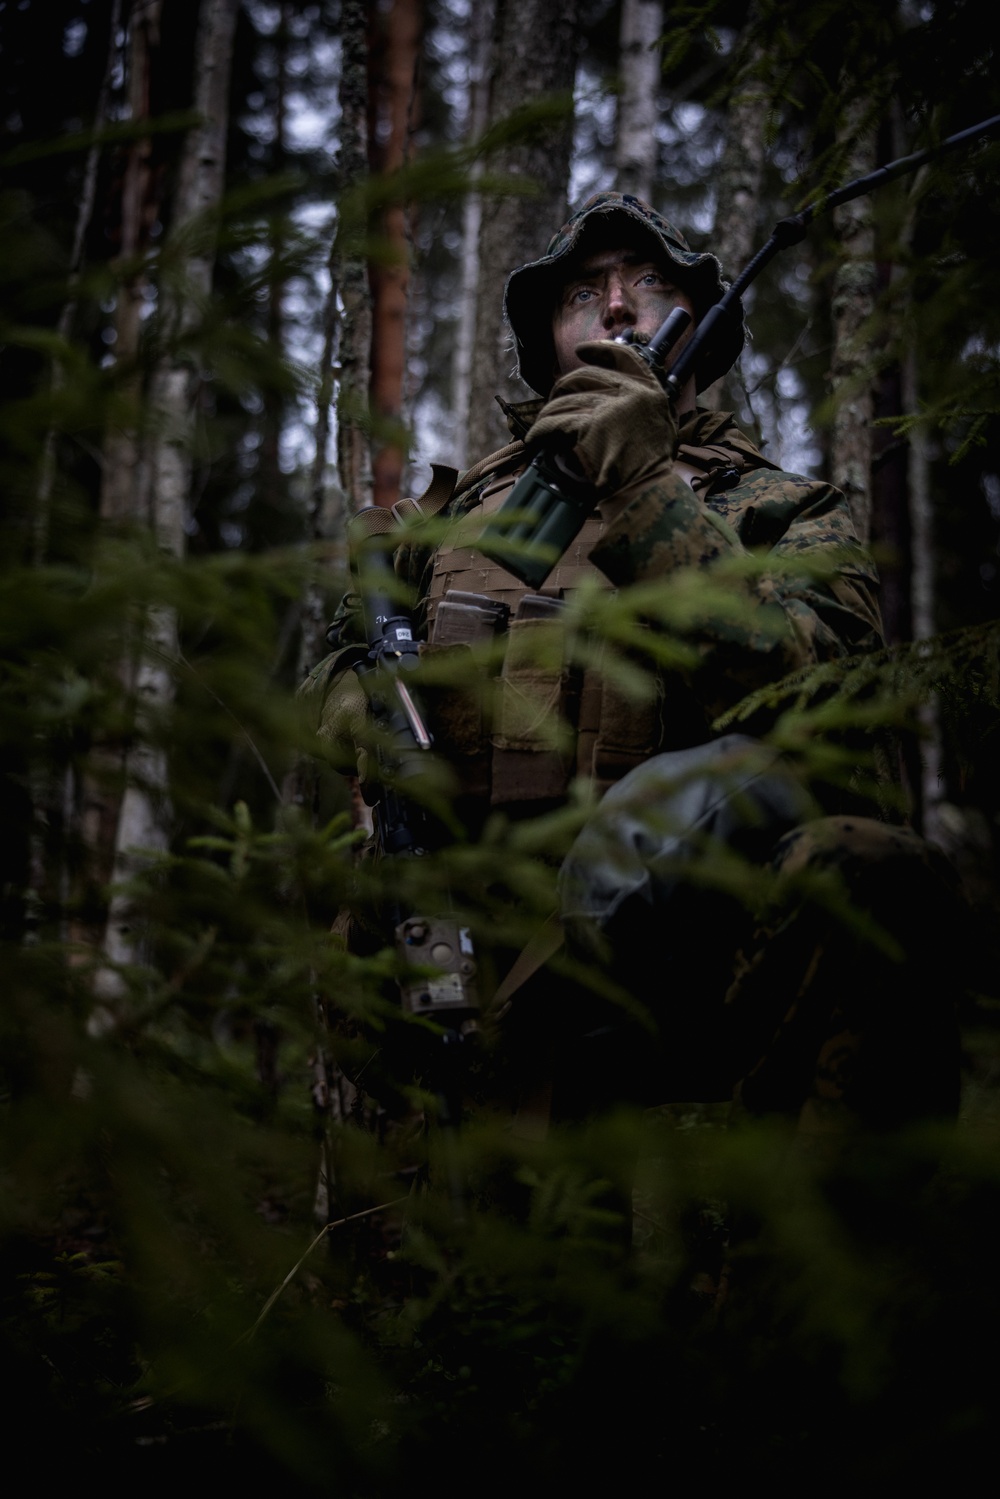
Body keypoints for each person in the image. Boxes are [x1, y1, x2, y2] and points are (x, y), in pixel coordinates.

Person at [305, 192, 961, 1151]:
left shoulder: (781, 511)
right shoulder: (453, 520)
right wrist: (347, 700)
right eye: (583, 293)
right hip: (462, 965)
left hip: (686, 965)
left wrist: (647, 488)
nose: (617, 307)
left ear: (701, 324)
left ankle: (821, 1272)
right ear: (550, 341)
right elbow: (341, 648)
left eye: (648, 283)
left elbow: (835, 706)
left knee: (872, 868)